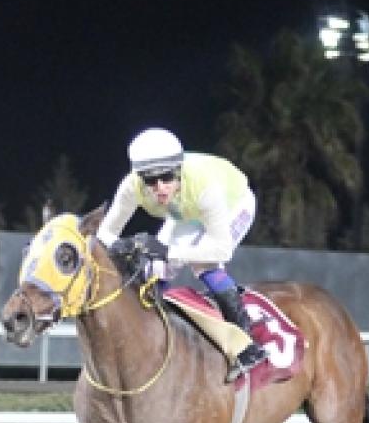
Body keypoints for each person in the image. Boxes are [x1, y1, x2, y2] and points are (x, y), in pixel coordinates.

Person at [95, 127, 268, 382]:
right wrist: (127, 245)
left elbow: (222, 249)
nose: (160, 188)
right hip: (185, 209)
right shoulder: (132, 187)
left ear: (179, 170)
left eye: (166, 177)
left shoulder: (205, 187)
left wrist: (168, 250)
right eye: (150, 181)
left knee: (203, 264)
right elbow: (105, 234)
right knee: (156, 267)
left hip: (233, 203)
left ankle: (246, 345)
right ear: (139, 177)